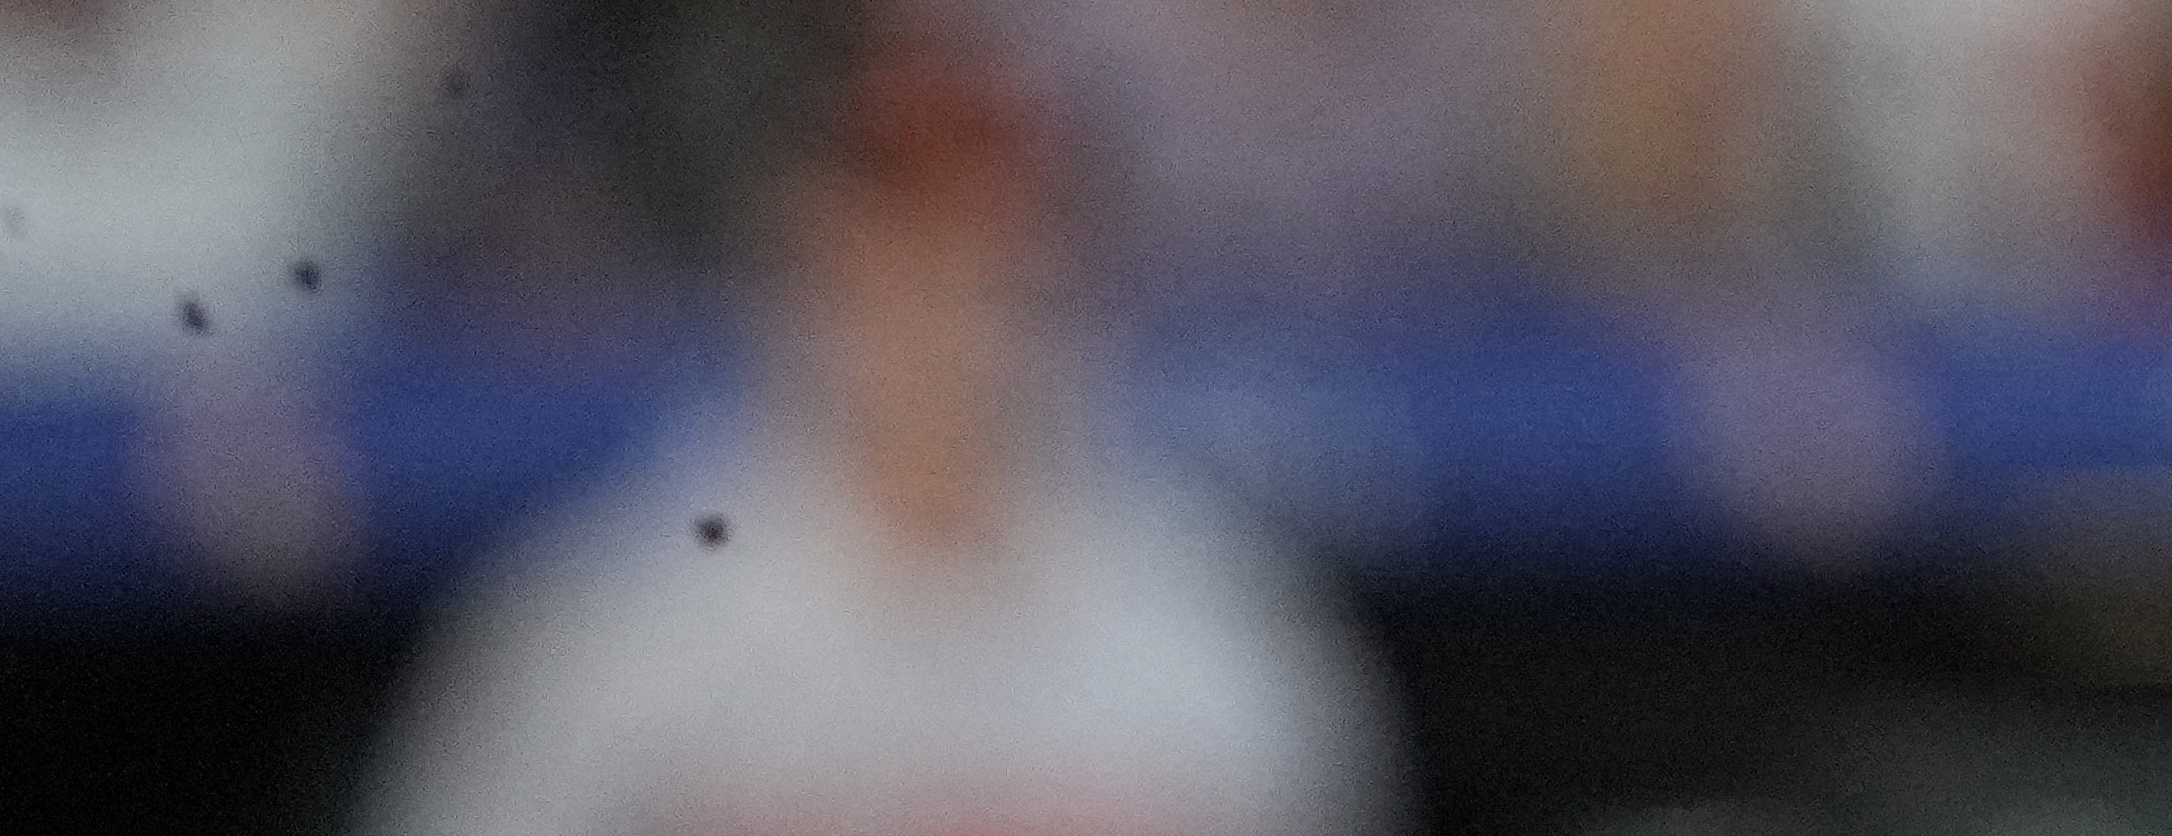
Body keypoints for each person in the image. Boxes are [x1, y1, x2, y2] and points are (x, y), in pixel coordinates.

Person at [350, 48, 1398, 836]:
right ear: (801, 261)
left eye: (985, 254)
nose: (937, 303)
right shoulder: (616, 614)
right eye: (892, 247)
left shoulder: (1212, 620)